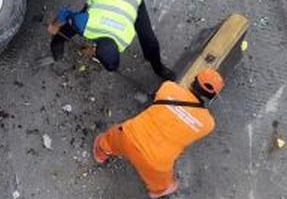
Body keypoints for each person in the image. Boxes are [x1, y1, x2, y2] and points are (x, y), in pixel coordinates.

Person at [93, 68, 224, 197]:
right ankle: (158, 191)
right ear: (211, 98)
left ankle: (101, 153)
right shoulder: (208, 124)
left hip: (128, 135)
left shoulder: (168, 87)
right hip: (156, 162)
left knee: (107, 141)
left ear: (193, 81)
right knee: (162, 184)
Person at [47, 0, 175, 80]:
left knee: (149, 39)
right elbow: (64, 13)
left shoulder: (126, 37)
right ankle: (57, 42)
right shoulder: (85, 23)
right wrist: (54, 25)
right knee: (74, 24)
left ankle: (158, 67)